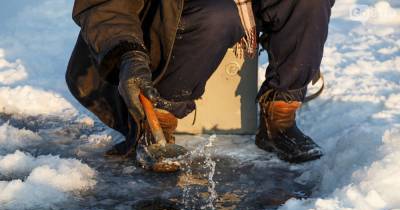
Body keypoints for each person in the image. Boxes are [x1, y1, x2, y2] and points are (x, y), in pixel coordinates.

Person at [66, 0, 335, 164]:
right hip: (167, 20)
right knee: (218, 15)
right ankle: (156, 121)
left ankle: (280, 114)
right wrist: (126, 55)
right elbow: (105, 7)